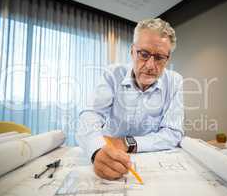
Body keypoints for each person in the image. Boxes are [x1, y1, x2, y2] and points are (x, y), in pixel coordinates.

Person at [76, 18, 184, 180]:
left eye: (160, 57)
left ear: (167, 59)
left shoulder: (175, 81)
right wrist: (96, 150)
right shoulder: (112, 74)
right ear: (132, 51)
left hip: (152, 161)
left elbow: (173, 133)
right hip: (108, 154)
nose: (150, 65)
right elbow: (90, 115)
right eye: (144, 54)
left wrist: (127, 142)